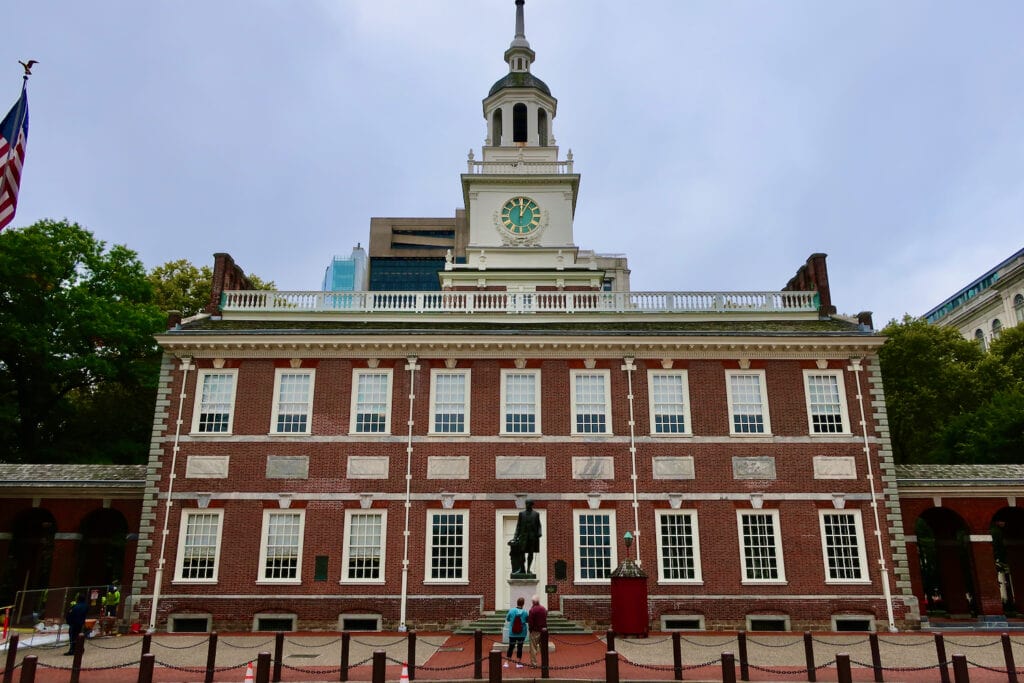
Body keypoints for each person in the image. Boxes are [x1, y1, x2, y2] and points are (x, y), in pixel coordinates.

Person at [513, 499, 542, 573]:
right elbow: (518, 526)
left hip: (532, 538)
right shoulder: (521, 514)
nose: (526, 505)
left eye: (528, 504)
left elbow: (539, 525)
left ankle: (528, 569)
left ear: (531, 505)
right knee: (521, 553)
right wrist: (515, 537)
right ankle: (522, 569)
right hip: (523, 537)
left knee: (530, 553)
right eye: (526, 504)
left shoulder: (536, 514)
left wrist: (539, 533)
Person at [504, 596, 529, 669]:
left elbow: (508, 619)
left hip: (512, 632)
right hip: (522, 633)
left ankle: (507, 662)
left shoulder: (511, 611)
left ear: (517, 603)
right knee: (520, 647)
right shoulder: (525, 612)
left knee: (511, 647)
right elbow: (527, 620)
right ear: (523, 604)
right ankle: (518, 663)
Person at [527, 594, 548, 667]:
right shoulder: (544, 609)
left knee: (533, 648)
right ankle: (545, 663)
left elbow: (530, 622)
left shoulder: (532, 610)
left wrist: (530, 629)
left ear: (533, 602)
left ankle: (534, 664)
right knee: (544, 648)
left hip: (535, 631)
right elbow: (545, 617)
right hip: (543, 631)